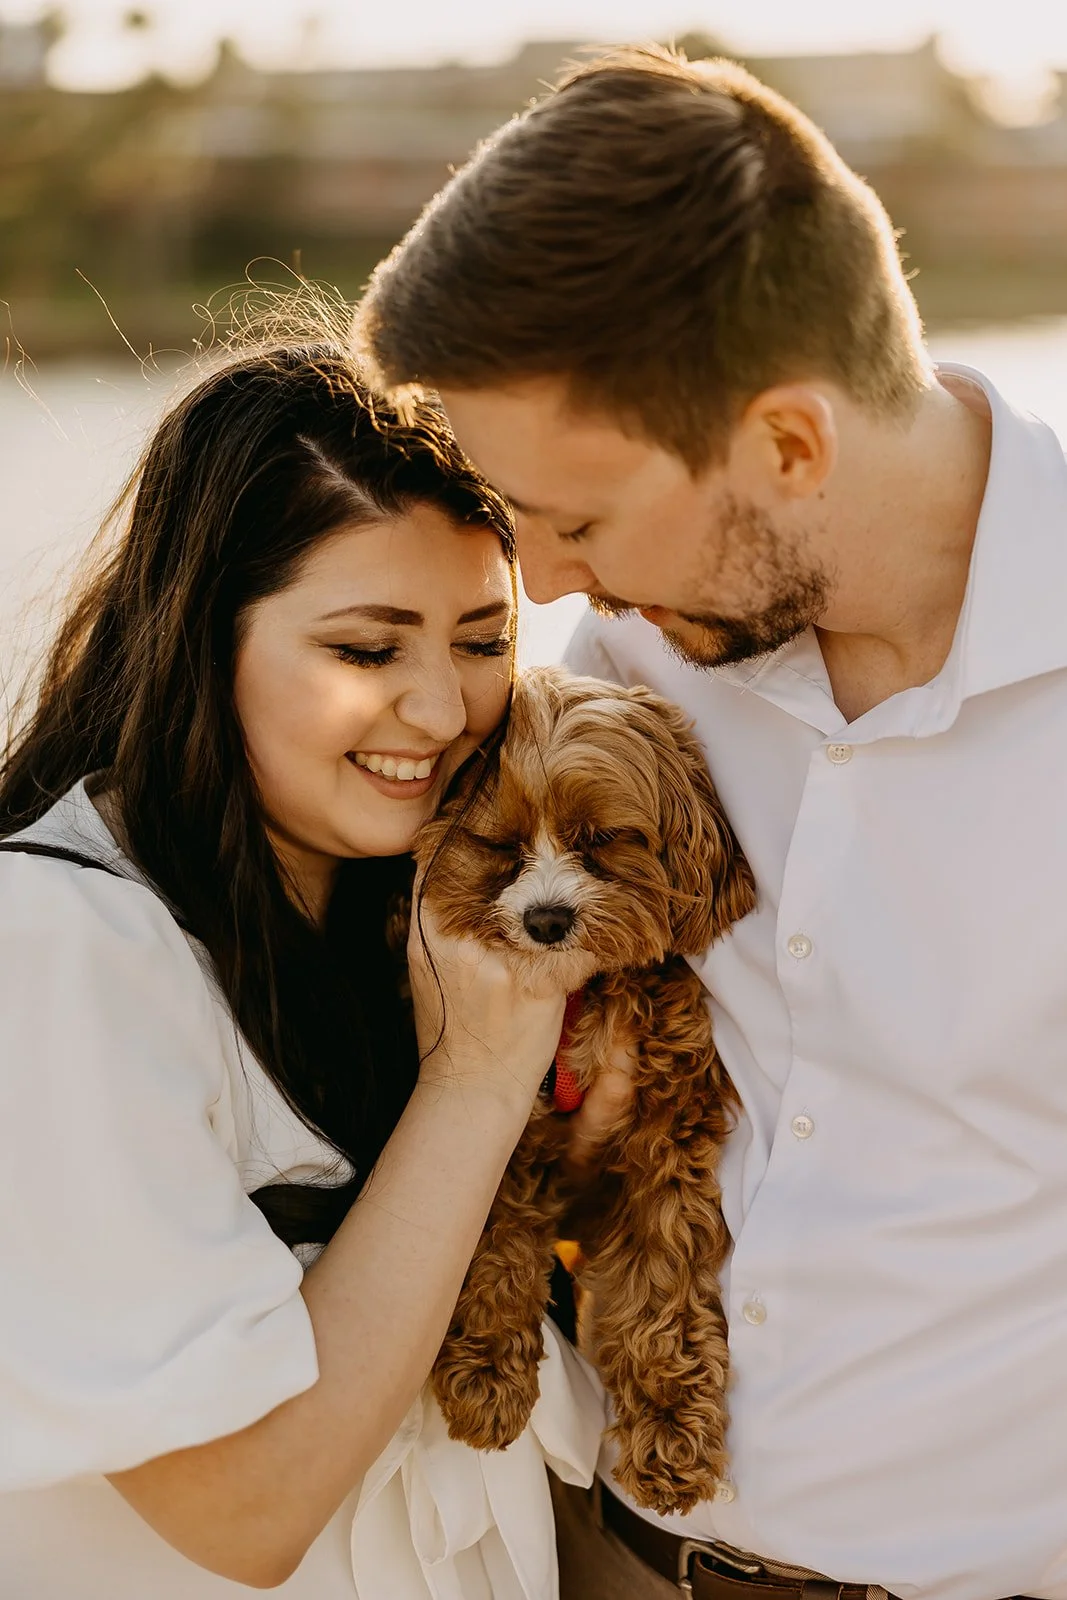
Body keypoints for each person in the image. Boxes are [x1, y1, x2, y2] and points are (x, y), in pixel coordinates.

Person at [355, 42, 1067, 1600]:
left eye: (579, 521)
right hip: (615, 1558)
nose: (541, 588)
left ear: (789, 445)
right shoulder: (628, 669)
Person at [0, 341, 608, 1600]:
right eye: (368, 650)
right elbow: (242, 1501)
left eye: (484, 641)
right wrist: (479, 1084)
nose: (442, 710)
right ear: (199, 634)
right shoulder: (58, 950)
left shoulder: (426, 929)